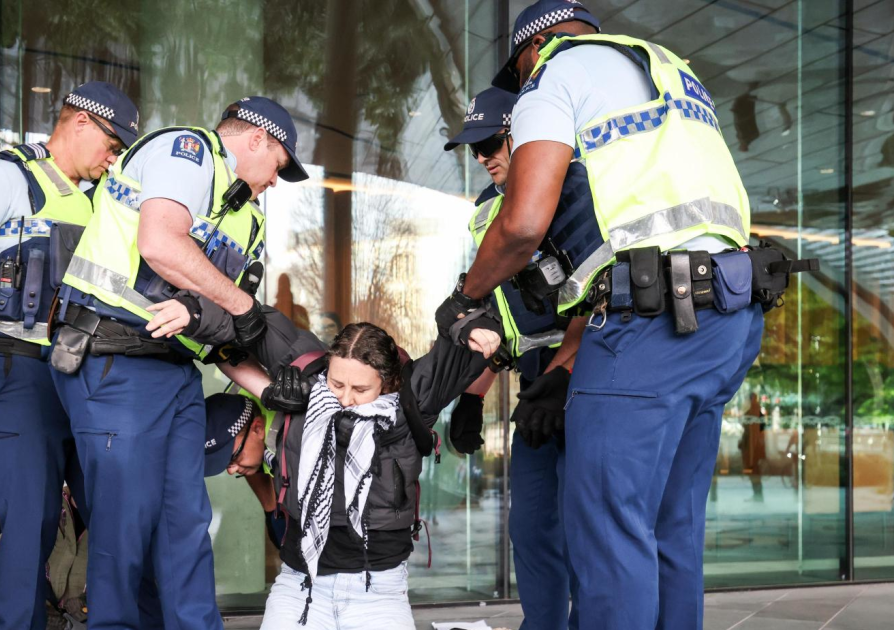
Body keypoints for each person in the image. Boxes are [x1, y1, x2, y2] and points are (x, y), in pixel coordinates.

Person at [430, 1, 795, 628]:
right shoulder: (672, 72)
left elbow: (521, 222)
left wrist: (465, 296)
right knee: (668, 529)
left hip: (649, 327)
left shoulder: (552, 76)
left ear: (528, 52)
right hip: (729, 315)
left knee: (607, 528)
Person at [48, 95, 307, 630]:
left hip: (178, 374)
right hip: (114, 357)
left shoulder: (249, 224)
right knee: (124, 528)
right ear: (256, 139)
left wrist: (269, 390)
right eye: (279, 165)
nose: (276, 182)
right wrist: (244, 308)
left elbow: (226, 335)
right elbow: (160, 242)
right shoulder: (187, 151)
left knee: (186, 525)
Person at [0, 81, 139, 630]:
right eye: (112, 144)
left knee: (114, 512)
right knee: (32, 520)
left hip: (92, 372)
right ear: (82, 123)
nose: (112, 158)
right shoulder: (10, 177)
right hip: (21, 370)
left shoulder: (105, 196)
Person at [189, 303, 499, 629]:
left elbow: (463, 340)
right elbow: (241, 313)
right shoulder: (308, 375)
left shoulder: (412, 397)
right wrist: (192, 312)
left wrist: (467, 326)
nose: (345, 399)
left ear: (388, 382)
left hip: (378, 591)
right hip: (299, 584)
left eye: (361, 389)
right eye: (337, 384)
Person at [443, 86, 577, 630]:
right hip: (534, 386)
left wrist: (567, 368)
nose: (483, 157)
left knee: (590, 525)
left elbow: (600, 293)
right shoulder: (485, 214)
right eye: (474, 149)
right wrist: (472, 396)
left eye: (492, 143)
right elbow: (502, 317)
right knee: (531, 526)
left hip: (588, 375)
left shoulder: (572, 188)